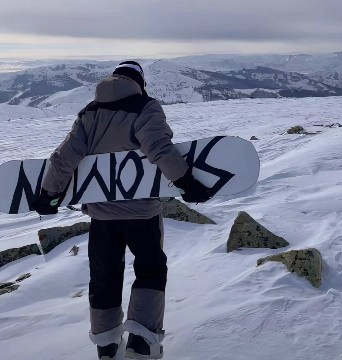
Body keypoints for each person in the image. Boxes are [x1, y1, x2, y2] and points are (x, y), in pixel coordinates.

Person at [31, 61, 212, 360]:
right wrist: (186, 181)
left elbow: (64, 158)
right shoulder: (145, 107)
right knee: (150, 272)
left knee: (104, 276)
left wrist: (49, 194)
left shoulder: (89, 112)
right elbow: (159, 149)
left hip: (102, 217)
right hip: (142, 213)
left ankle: (106, 346)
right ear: (139, 82)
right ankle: (142, 345)